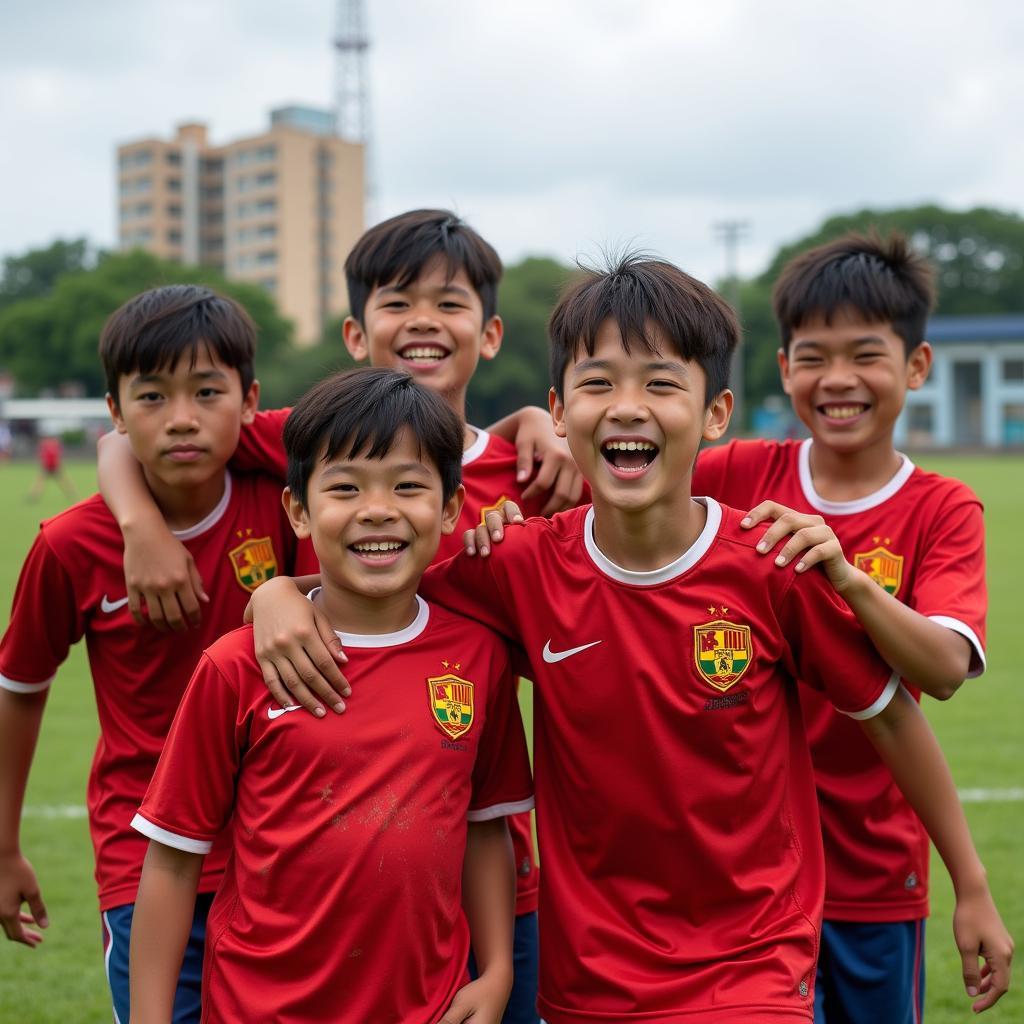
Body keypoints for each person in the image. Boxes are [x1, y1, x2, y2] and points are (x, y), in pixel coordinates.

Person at [250, 254, 1013, 1022]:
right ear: (558, 408)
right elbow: (386, 603)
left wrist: (971, 884)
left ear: (715, 414)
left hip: (753, 966)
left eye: (659, 383)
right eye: (598, 382)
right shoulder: (516, 564)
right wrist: (283, 592)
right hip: (589, 979)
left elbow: (888, 713)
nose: (626, 407)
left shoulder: (771, 568)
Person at [98, 209, 581, 1021]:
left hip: (470, 867)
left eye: (448, 303)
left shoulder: (536, 472)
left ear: (491, 332)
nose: (423, 321)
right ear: (356, 333)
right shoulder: (318, 431)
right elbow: (144, 427)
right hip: (295, 900)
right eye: (397, 301)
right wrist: (264, 588)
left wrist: (547, 423)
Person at [128, 368, 534, 1024]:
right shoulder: (238, 666)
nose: (378, 509)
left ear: (453, 506)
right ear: (299, 508)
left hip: (428, 1008)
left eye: (408, 485)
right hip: (260, 1009)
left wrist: (496, 971)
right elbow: (173, 860)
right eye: (345, 487)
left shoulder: (479, 657)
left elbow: (487, 828)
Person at [689, 232, 993, 1022]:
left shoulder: (942, 509)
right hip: (743, 875)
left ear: (916, 366)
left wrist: (847, 579)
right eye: (813, 357)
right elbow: (621, 469)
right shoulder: (735, 472)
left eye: (865, 354)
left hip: (872, 873)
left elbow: (945, 669)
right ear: (785, 367)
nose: (839, 380)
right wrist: (531, 426)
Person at [0, 285, 297, 1024]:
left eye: (206, 392)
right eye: (152, 397)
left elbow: (419, 438)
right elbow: (19, 687)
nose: (183, 418)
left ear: (249, 398)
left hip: (282, 842)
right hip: (145, 858)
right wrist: (3, 846)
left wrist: (524, 426)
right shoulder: (69, 546)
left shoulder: (288, 493)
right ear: (115, 412)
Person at [26, 433, 76, 502]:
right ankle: (73, 495)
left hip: (48, 466)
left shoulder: (44, 444)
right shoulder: (56, 443)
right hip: (54, 466)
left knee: (40, 482)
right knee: (63, 482)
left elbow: (42, 456)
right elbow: (59, 455)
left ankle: (34, 497)